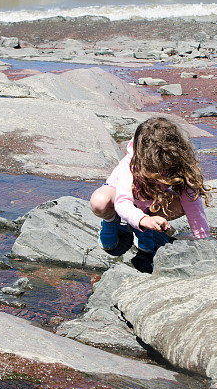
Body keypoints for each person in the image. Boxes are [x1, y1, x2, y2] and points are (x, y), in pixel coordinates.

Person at [90, 117, 210, 273]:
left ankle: (145, 228)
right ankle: (111, 221)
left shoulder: (175, 161)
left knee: (186, 200)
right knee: (100, 202)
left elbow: (192, 201)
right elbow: (122, 202)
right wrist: (143, 220)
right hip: (120, 197)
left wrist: (202, 238)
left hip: (151, 203)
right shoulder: (131, 164)